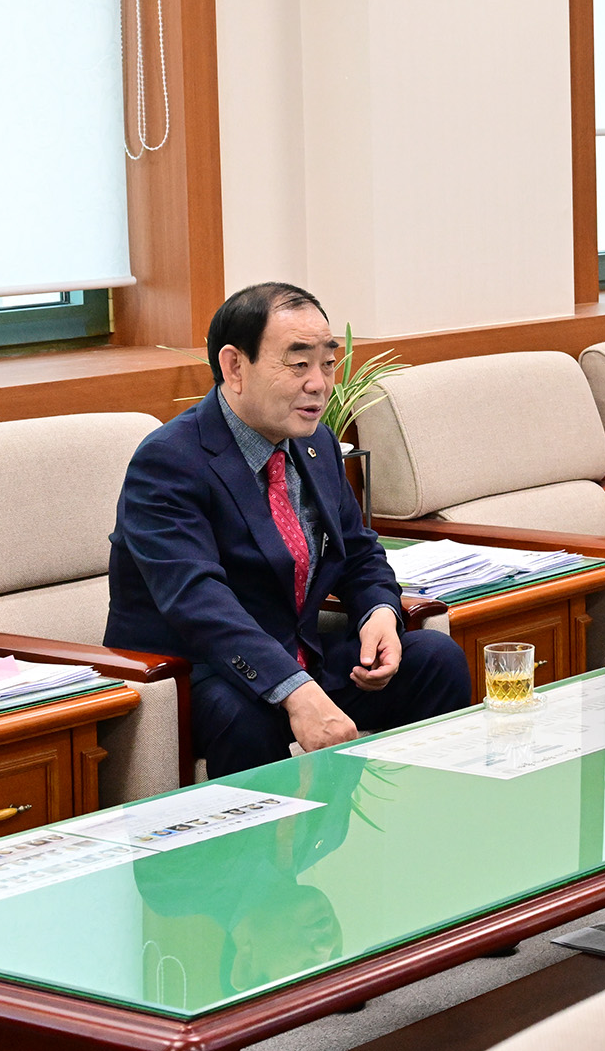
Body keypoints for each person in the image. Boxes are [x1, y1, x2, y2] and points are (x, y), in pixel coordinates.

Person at [106, 282, 469, 777]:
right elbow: (197, 600)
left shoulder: (314, 442)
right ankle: (265, 854)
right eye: (299, 364)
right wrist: (295, 691)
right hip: (203, 672)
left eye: (328, 363)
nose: (319, 384)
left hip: (298, 655)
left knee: (434, 659)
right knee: (248, 717)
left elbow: (358, 551)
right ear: (235, 367)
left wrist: (379, 613)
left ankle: (422, 826)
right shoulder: (169, 460)